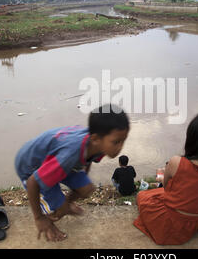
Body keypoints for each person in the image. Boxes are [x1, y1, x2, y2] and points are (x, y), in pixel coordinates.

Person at [15, 104, 129, 242]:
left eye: (123, 141)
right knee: (57, 205)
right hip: (31, 166)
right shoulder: (69, 155)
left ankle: (64, 205)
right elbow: (33, 182)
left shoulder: (97, 144)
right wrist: (38, 218)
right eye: (116, 142)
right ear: (95, 139)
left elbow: (88, 160)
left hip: (57, 160)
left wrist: (79, 185)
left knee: (87, 189)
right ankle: (49, 220)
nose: (120, 147)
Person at [133, 112, 198, 245]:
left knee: (142, 196)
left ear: (191, 138)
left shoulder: (176, 162)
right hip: (195, 223)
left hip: (167, 225)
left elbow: (166, 187)